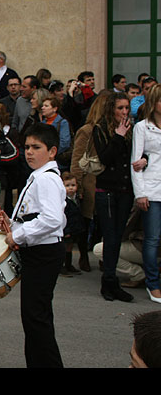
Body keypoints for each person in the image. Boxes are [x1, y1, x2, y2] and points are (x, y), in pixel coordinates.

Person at [0, 123, 66, 368]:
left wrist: (18, 236)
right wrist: (11, 225)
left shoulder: (46, 179)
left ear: (52, 151)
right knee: (34, 318)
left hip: (44, 253)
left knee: (37, 319)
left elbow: (53, 219)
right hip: (40, 251)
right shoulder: (39, 177)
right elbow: (36, 216)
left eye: (37, 147)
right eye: (26, 147)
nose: (29, 152)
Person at [93, 91, 135, 302]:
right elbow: (106, 158)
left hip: (126, 189)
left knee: (118, 236)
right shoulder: (100, 129)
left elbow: (135, 156)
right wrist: (118, 136)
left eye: (127, 108)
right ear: (112, 109)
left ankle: (112, 281)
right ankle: (108, 282)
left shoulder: (132, 128)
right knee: (109, 236)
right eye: (120, 108)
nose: (124, 112)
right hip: (106, 191)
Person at [69, 91, 111, 270]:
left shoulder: (114, 131)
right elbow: (77, 159)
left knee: (104, 222)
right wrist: (76, 184)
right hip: (89, 182)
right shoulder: (86, 131)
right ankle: (84, 254)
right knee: (85, 222)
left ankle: (102, 255)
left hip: (107, 181)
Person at [131, 84, 161, 304]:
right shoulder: (142, 127)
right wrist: (140, 193)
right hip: (151, 191)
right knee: (151, 240)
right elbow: (135, 162)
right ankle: (153, 284)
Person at [60, 172, 86, 276]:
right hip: (66, 228)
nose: (71, 188)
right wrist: (66, 230)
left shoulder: (77, 198)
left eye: (73, 185)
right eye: (67, 186)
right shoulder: (63, 201)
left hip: (74, 227)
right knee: (64, 246)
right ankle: (61, 266)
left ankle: (68, 264)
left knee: (69, 246)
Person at [40, 95, 72, 170]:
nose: (42, 108)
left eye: (46, 106)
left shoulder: (62, 122)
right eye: (42, 106)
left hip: (58, 161)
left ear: (54, 109)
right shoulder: (43, 123)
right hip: (44, 161)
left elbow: (64, 142)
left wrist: (50, 154)